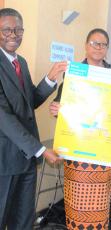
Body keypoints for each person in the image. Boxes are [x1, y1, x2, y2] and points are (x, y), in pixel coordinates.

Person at [49, 28, 111, 230]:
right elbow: (61, 104)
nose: (98, 48)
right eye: (94, 43)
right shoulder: (74, 73)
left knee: (100, 203)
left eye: (103, 44)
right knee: (77, 205)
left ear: (107, 49)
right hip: (78, 150)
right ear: (86, 46)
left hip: (104, 150)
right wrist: (57, 109)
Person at [0, 8, 67, 230]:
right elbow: (4, 117)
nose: (13, 34)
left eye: (18, 29)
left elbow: (30, 102)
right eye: (7, 29)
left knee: (23, 220)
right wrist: (39, 149)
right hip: (5, 159)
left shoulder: (22, 63)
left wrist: (49, 79)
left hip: (26, 159)